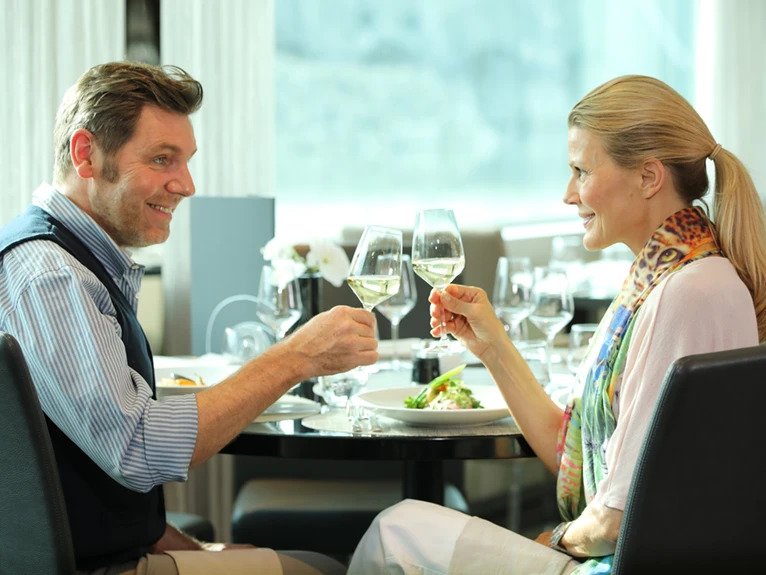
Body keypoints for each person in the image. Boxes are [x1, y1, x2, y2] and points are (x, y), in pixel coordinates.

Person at [348, 74, 766, 574]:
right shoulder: (677, 276)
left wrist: (554, 538)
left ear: (649, 177)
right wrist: (493, 346)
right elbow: (574, 457)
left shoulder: (685, 294)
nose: (569, 194)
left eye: (581, 171)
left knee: (396, 531)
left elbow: (616, 518)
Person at [0, 61, 378, 574]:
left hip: (105, 552)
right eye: (162, 159)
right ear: (86, 155)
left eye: (185, 162)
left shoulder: (68, 260)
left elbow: (84, 468)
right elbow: (136, 447)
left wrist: (187, 550)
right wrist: (297, 357)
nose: (186, 185)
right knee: (329, 568)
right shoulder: (54, 276)